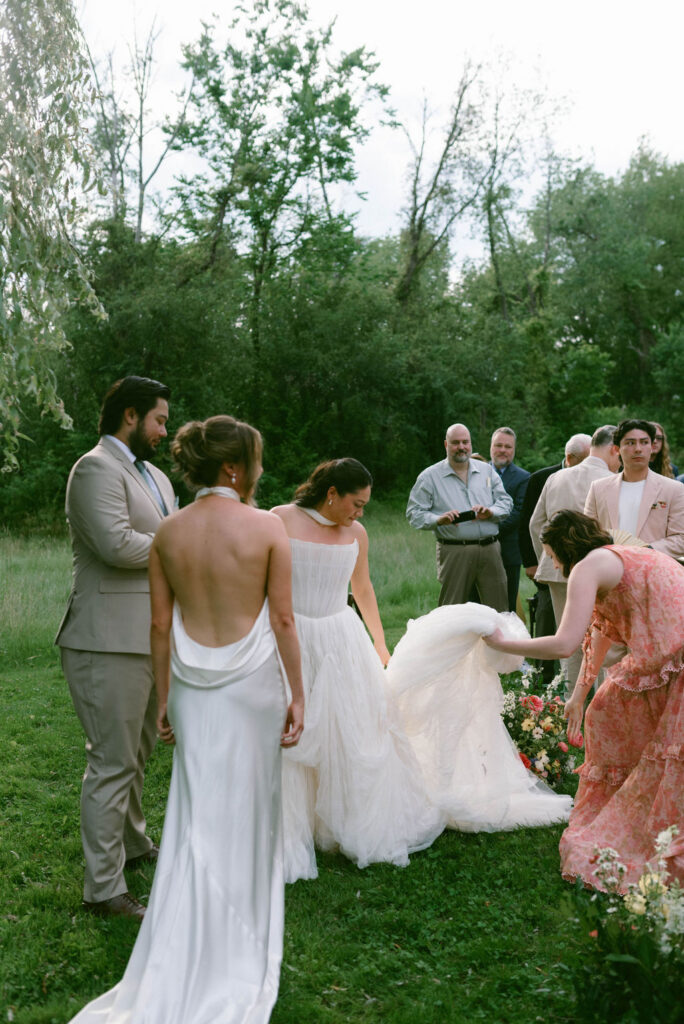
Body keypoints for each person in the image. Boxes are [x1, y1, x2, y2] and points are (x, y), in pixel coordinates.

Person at [67, 415, 305, 1024]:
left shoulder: (168, 533)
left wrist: (168, 695)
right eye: (254, 459)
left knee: (195, 805)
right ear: (234, 468)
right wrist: (298, 694)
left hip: (194, 688)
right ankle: (240, 934)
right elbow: (282, 622)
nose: (259, 469)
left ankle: (192, 918)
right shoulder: (267, 527)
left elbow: (157, 625)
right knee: (250, 803)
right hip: (253, 684)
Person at [484, 510, 684, 892]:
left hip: (673, 656)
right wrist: (578, 695)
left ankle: (640, 819)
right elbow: (601, 633)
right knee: (603, 710)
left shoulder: (587, 567)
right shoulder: (613, 556)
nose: (553, 564)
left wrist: (501, 643)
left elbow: (564, 643)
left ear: (564, 547)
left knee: (615, 718)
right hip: (666, 655)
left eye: (552, 555)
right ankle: (632, 802)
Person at [272, 458, 444, 882]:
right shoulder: (279, 519)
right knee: (289, 729)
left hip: (340, 637)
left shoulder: (357, 533)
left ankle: (340, 819)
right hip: (288, 632)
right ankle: (293, 824)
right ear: (331, 494)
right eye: (357, 503)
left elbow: (361, 587)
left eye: (365, 506)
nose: (360, 512)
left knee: (351, 729)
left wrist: (380, 640)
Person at [56, 376, 174, 919]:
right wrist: (190, 543)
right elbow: (116, 544)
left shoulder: (156, 477)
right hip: (105, 641)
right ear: (131, 415)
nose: (164, 429)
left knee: (138, 753)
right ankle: (104, 889)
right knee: (111, 761)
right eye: (159, 419)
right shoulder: (94, 469)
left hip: (151, 637)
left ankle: (133, 844)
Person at [529, 425, 619, 691]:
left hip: (558, 573)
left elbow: (536, 524)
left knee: (567, 638)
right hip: (602, 574)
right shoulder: (613, 481)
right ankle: (602, 701)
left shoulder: (556, 477)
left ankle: (571, 700)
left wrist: (550, 560)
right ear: (613, 449)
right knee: (605, 639)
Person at [406, 423, 512, 611]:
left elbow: (505, 502)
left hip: (490, 549)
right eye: (456, 443)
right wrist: (438, 519)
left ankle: (497, 642)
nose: (461, 447)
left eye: (465, 442)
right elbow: (414, 513)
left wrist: (491, 512)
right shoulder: (429, 477)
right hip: (454, 550)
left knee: (499, 610)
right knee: (451, 610)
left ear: (471, 444)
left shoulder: (486, 471)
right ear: (446, 445)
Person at [584, 419, 684, 559]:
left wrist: (647, 550)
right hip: (610, 569)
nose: (638, 449)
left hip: (655, 568)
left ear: (651, 447)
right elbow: (587, 533)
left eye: (644, 442)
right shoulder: (598, 488)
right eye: (630, 443)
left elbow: (681, 538)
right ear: (617, 449)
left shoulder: (674, 489)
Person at [489, 427, 530, 612]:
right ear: (491, 447)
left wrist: (487, 530)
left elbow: (518, 512)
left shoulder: (523, 477)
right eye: (499, 445)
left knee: (507, 605)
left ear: (514, 450)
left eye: (508, 446)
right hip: (475, 550)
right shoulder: (476, 472)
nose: (503, 450)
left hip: (508, 552)